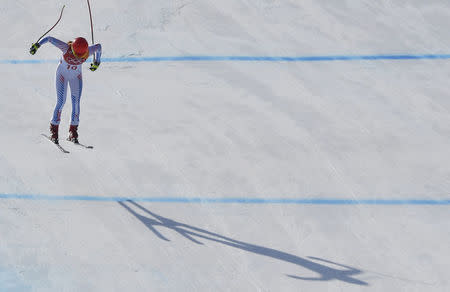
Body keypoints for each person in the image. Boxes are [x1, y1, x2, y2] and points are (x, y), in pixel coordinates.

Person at [29, 36, 102, 144]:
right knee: (61, 102)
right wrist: (37, 45)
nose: (78, 57)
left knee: (76, 103)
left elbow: (99, 47)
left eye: (81, 55)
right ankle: (54, 130)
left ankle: (73, 132)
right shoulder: (65, 47)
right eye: (77, 54)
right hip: (62, 75)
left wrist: (97, 62)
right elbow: (49, 39)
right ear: (72, 48)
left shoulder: (87, 51)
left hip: (75, 77)